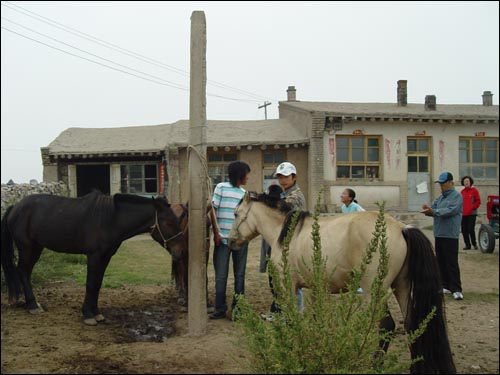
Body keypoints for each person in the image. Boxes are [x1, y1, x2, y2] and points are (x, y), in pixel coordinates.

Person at [261, 162, 307, 321]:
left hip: (290, 244)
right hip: (279, 243)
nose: (282, 179)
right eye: (280, 176)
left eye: (286, 176)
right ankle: (278, 311)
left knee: (292, 280)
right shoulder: (283, 194)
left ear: (294, 177)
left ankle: (296, 315)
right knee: (277, 279)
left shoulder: (295, 197)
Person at [210, 161, 251, 319]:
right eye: (246, 174)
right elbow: (213, 211)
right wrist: (216, 232)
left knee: (240, 275)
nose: (248, 177)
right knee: (221, 275)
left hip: (240, 241)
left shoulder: (244, 194)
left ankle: (238, 309)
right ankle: (220, 308)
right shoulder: (220, 188)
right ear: (239, 175)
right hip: (223, 240)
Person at [421, 171, 464, 301]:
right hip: (439, 233)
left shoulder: (456, 197)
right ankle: (445, 285)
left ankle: (456, 288)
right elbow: (433, 210)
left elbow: (450, 211)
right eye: (440, 184)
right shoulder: (440, 198)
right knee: (441, 260)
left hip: (450, 234)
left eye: (443, 184)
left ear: (451, 183)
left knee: (451, 262)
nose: (441, 186)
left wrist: (433, 211)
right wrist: (427, 211)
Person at [340, 188, 365, 293]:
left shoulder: (356, 207)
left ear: (350, 198)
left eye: (344, 194)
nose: (341, 195)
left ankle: (361, 285)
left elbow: (364, 217)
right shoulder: (343, 207)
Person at [460, 176, 481, 250]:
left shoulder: (474, 190)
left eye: (468, 181)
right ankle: (467, 245)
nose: (466, 182)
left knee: (470, 229)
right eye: (465, 181)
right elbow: (460, 202)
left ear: (470, 182)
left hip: (472, 213)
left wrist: (472, 208)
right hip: (464, 214)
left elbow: (478, 201)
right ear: (463, 183)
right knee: (463, 230)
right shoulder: (462, 192)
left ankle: (474, 244)